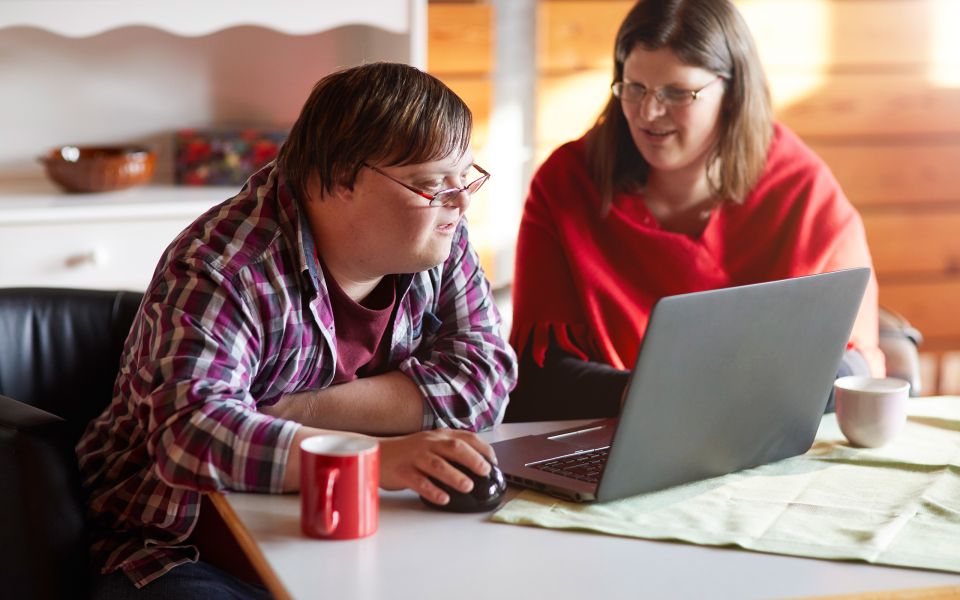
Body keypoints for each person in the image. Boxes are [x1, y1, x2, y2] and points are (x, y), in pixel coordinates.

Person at [77, 62, 517, 597]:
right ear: (336, 179)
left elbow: (485, 380)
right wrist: (373, 458)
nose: (461, 200)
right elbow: (190, 434)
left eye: (465, 176)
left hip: (359, 522)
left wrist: (297, 410)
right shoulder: (224, 266)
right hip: (176, 542)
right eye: (432, 184)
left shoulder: (437, 234)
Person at [506, 0, 883, 422]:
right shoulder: (567, 183)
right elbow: (537, 377)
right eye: (634, 87)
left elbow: (854, 365)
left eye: (677, 93)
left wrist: (706, 399)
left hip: (764, 436)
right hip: (611, 434)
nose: (649, 113)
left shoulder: (802, 188)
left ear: (732, 92)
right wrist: (668, 399)